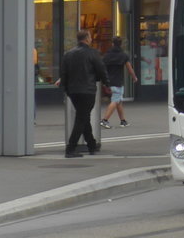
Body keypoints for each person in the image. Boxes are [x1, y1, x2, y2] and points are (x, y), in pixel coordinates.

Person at [57, 29, 106, 158]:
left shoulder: (68, 54)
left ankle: (91, 144)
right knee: (81, 118)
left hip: (73, 91)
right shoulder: (92, 53)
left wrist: (66, 88)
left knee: (84, 117)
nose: (91, 39)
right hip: (87, 90)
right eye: (90, 37)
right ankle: (71, 148)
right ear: (86, 39)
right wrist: (106, 83)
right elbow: (101, 69)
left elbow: (64, 73)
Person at [100, 37, 137, 129]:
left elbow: (101, 67)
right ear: (121, 44)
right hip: (118, 82)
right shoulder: (123, 55)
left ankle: (123, 121)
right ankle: (104, 120)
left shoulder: (107, 55)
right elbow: (129, 68)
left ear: (112, 43)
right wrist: (134, 77)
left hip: (108, 81)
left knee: (119, 101)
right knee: (115, 101)